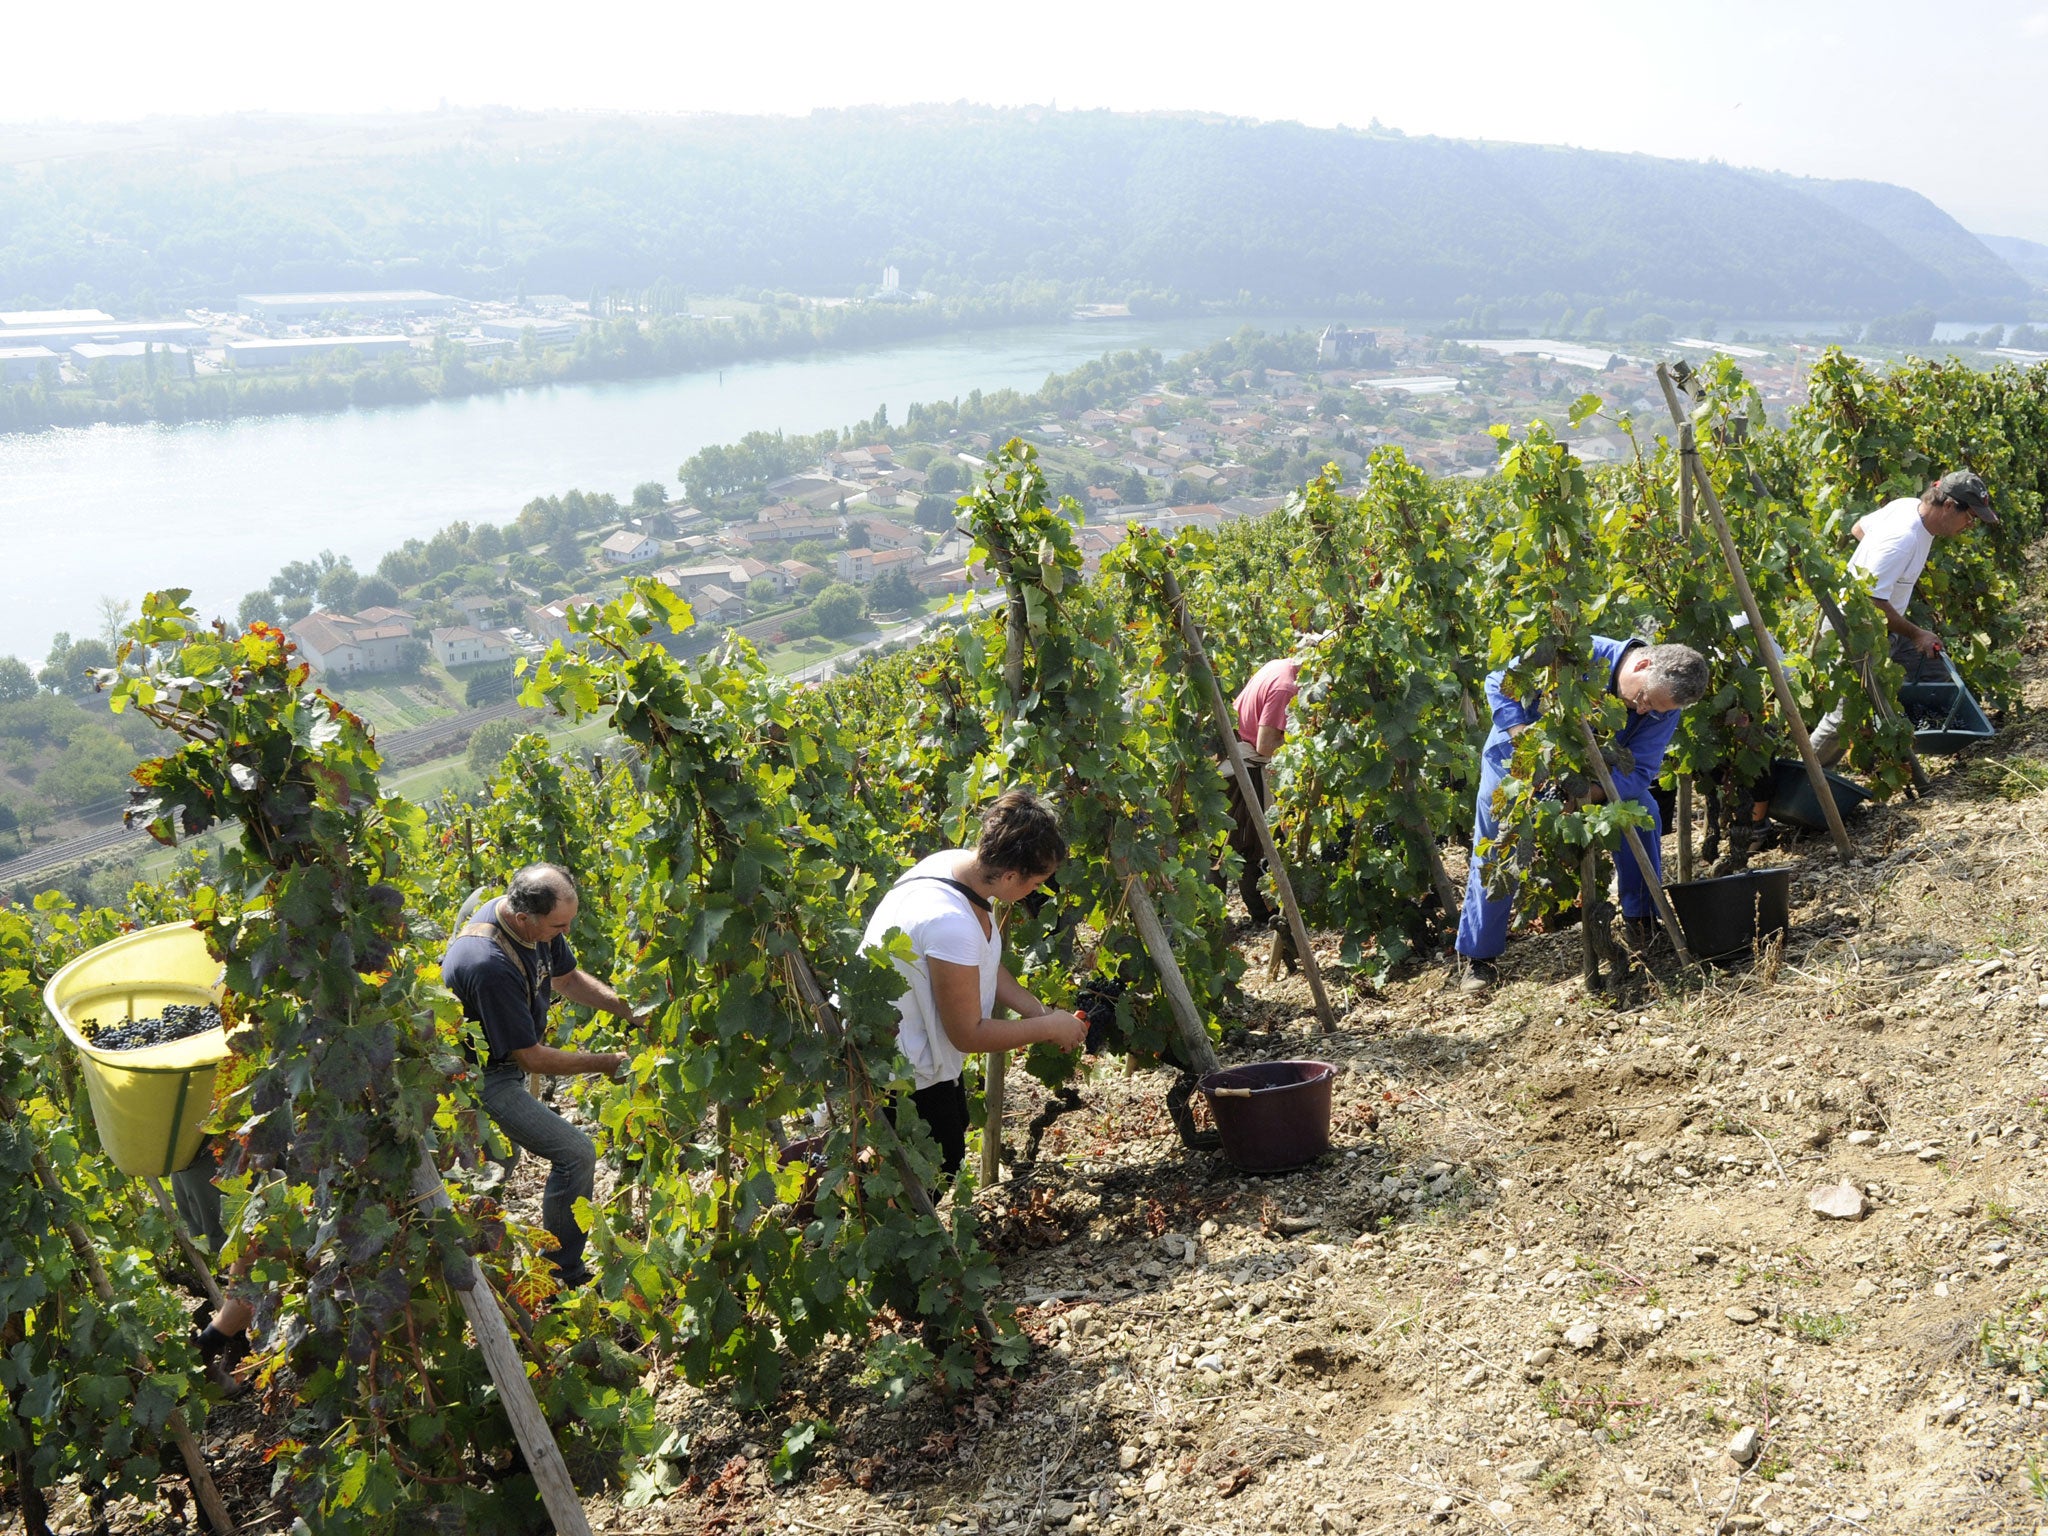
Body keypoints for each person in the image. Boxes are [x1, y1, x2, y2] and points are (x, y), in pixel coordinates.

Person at [1455, 638, 1710, 993]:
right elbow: (1499, 680)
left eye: (1654, 710)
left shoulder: (1663, 708)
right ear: (1641, 665)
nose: (1642, 712)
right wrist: (1522, 735)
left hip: (1591, 782)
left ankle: (1641, 922)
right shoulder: (1574, 649)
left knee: (1642, 813)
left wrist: (1586, 794)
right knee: (1499, 838)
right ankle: (1479, 957)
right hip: (1518, 761)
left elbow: (1640, 770)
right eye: (1644, 700)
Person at [860, 790, 1091, 1175]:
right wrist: (1047, 1027)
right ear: (1011, 875)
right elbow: (967, 1034)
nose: (1035, 892)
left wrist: (1039, 1011)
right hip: (897, 1067)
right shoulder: (949, 922)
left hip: (903, 1052)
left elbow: (981, 963)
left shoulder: (952, 866)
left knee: (948, 1133)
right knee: (933, 1166)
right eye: (1035, 883)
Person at [440, 862, 644, 1288]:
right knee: (575, 1153)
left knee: (497, 1162)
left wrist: (626, 1008)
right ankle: (560, 1275)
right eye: (558, 926)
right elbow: (530, 1058)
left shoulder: (535, 925)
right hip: (479, 1078)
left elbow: (567, 980)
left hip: (506, 1062)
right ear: (522, 918)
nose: (563, 933)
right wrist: (607, 1062)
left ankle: (473, 1246)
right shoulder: (487, 964)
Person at [1808, 471, 1999, 765]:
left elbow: (1860, 529)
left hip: (1882, 625)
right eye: (1970, 516)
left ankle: (1924, 741)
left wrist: (1883, 569)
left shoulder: (1907, 506)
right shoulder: (1904, 539)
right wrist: (1916, 632)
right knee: (1843, 718)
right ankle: (1805, 779)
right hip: (1853, 629)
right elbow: (1871, 601)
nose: (1970, 525)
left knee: (1934, 673)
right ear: (1949, 506)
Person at [1222, 655, 1301, 925]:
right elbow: (1264, 745)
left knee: (1227, 842)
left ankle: (1213, 920)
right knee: (1249, 844)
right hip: (1244, 766)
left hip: (1232, 758)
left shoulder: (1276, 665)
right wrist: (1300, 739)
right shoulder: (1286, 687)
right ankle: (1262, 916)